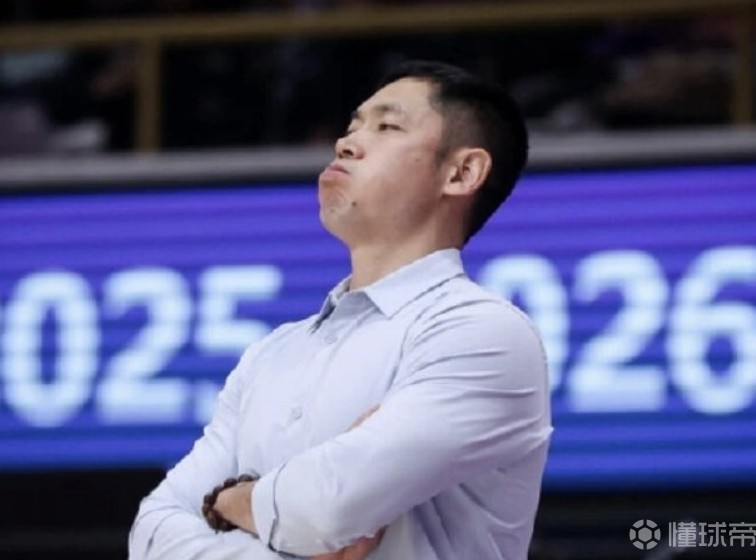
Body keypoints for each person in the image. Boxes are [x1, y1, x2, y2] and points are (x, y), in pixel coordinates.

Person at [129, 59, 552, 560]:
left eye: (387, 127)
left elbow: (327, 507)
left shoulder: (482, 332)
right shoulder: (271, 353)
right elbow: (151, 533)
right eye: (352, 126)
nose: (346, 143)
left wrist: (226, 501)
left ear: (462, 172)